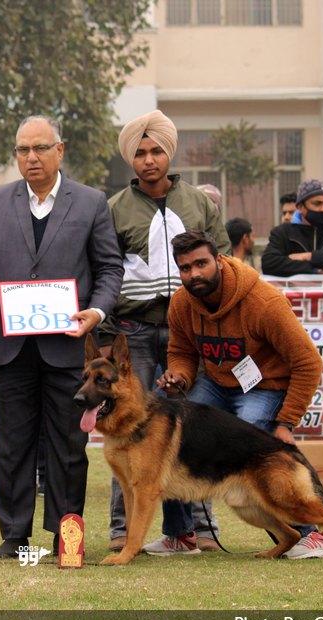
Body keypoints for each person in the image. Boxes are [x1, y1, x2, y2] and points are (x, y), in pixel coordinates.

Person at [0, 115, 123, 558]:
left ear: (60, 149)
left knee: (69, 443)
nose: (31, 157)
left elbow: (110, 268)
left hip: (68, 342)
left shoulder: (91, 202)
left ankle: (65, 532)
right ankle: (14, 534)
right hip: (9, 344)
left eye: (40, 148)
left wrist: (97, 312)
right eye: (23, 150)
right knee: (12, 443)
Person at [148, 230, 323, 559]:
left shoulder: (264, 302)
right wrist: (180, 376)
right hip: (217, 382)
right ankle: (180, 535)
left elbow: (308, 362)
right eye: (185, 268)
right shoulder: (182, 302)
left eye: (201, 264)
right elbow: (182, 352)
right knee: (171, 432)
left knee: (249, 437)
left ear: (219, 260)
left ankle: (310, 535)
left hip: (266, 385)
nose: (194, 274)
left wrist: (286, 423)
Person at [100, 109, 229, 552]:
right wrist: (107, 335)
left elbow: (225, 261)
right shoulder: (114, 208)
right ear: (131, 159)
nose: (149, 160)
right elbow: (104, 271)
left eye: (156, 151)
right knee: (124, 426)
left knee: (192, 428)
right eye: (140, 153)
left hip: (189, 334)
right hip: (132, 332)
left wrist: (218, 321)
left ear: (169, 154)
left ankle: (198, 529)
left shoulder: (199, 203)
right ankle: (122, 530)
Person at [261, 179, 323, 277]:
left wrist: (310, 256)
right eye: (317, 203)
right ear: (300, 207)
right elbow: (269, 263)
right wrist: (313, 270)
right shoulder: (282, 232)